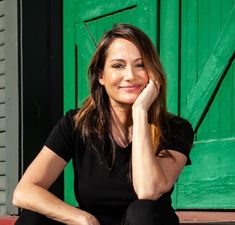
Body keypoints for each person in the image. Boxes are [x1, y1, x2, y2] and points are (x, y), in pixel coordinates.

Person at [13, 23, 194, 225]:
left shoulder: (175, 129)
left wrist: (140, 111)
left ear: (153, 73)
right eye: (118, 65)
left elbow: (147, 190)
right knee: (32, 218)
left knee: (142, 210)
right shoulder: (76, 124)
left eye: (141, 65)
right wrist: (81, 217)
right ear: (101, 75)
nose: (131, 76)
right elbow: (24, 192)